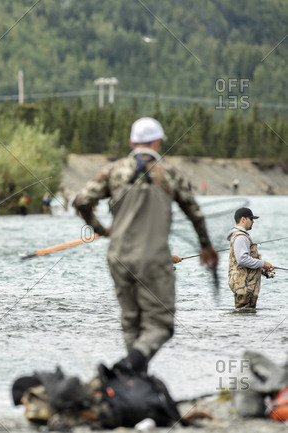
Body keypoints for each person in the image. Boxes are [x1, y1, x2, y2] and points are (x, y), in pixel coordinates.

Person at [72, 117, 218, 373]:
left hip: (118, 257)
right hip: (153, 258)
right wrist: (205, 245)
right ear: (158, 142)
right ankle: (130, 366)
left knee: (131, 323)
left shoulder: (113, 171)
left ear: (131, 142)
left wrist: (100, 229)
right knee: (161, 325)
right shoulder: (170, 174)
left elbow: (81, 200)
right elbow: (195, 213)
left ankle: (133, 378)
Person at [226, 207, 274, 309]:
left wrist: (262, 269)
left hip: (245, 285)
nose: (253, 221)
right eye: (251, 219)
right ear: (243, 219)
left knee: (245, 318)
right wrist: (263, 263)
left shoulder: (241, 236)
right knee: (244, 318)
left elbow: (244, 262)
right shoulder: (241, 237)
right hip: (244, 286)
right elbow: (242, 259)